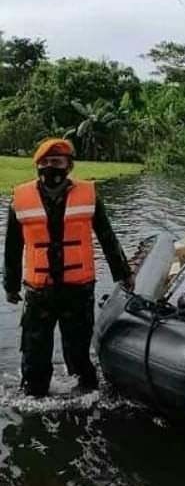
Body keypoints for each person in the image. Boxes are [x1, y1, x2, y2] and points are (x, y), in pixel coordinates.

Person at [3, 138, 134, 397]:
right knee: (33, 357)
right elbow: (12, 247)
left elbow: (107, 237)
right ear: (38, 166)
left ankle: (86, 397)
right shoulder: (20, 199)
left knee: (79, 355)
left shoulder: (89, 196)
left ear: (69, 166)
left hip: (78, 289)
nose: (51, 168)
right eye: (46, 163)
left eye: (57, 162)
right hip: (39, 292)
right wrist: (10, 284)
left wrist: (123, 274)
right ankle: (34, 401)